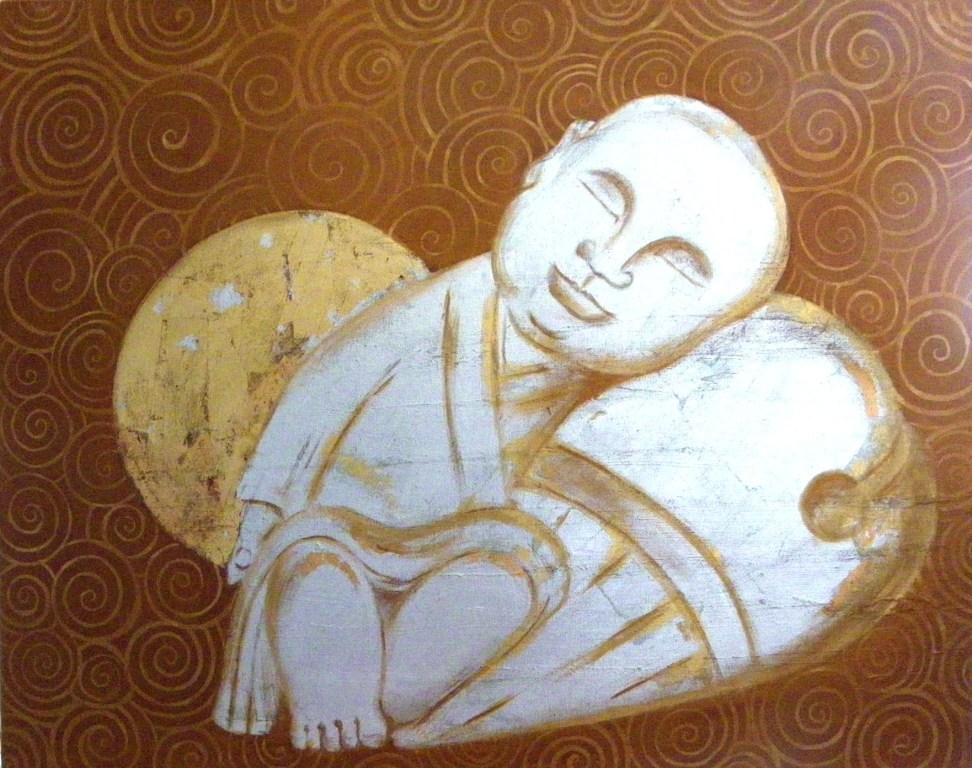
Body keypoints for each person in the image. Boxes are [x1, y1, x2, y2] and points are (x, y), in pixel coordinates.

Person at [212, 95, 789, 750]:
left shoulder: (630, 406)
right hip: (343, 534)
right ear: (554, 159)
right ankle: (326, 632)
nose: (608, 259)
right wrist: (262, 511)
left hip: (463, 559)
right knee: (323, 563)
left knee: (515, 573)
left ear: (704, 332)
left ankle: (386, 683)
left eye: (677, 264)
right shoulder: (419, 319)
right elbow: (324, 389)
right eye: (606, 198)